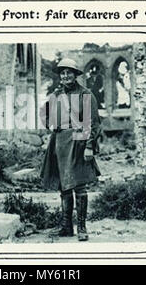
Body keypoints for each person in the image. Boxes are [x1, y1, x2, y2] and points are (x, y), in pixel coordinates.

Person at [40, 58, 101, 241]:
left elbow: (93, 123)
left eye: (69, 72)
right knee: (64, 186)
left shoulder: (85, 94)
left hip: (78, 139)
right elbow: (44, 113)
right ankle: (67, 226)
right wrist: (50, 125)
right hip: (59, 141)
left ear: (75, 75)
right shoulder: (56, 95)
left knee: (79, 186)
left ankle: (81, 227)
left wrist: (89, 146)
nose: (66, 75)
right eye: (63, 73)